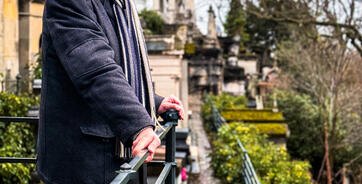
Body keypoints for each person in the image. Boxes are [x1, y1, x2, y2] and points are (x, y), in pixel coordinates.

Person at [36, 0, 184, 183]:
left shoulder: (120, 4)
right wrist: (138, 125)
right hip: (84, 162)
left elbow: (122, 68)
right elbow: (96, 69)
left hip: (114, 157)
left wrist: (152, 102)